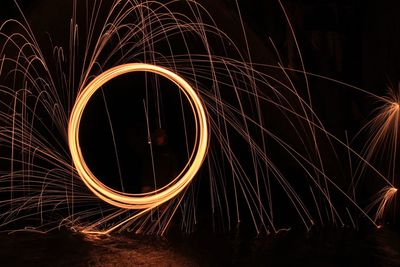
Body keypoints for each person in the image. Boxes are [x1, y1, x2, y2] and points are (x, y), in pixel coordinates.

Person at [141, 128, 177, 193]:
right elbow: (145, 167)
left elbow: (173, 169)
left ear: (164, 137)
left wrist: (170, 184)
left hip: (162, 186)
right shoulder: (150, 150)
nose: (158, 139)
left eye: (160, 137)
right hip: (149, 185)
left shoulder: (168, 152)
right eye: (157, 137)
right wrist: (145, 184)